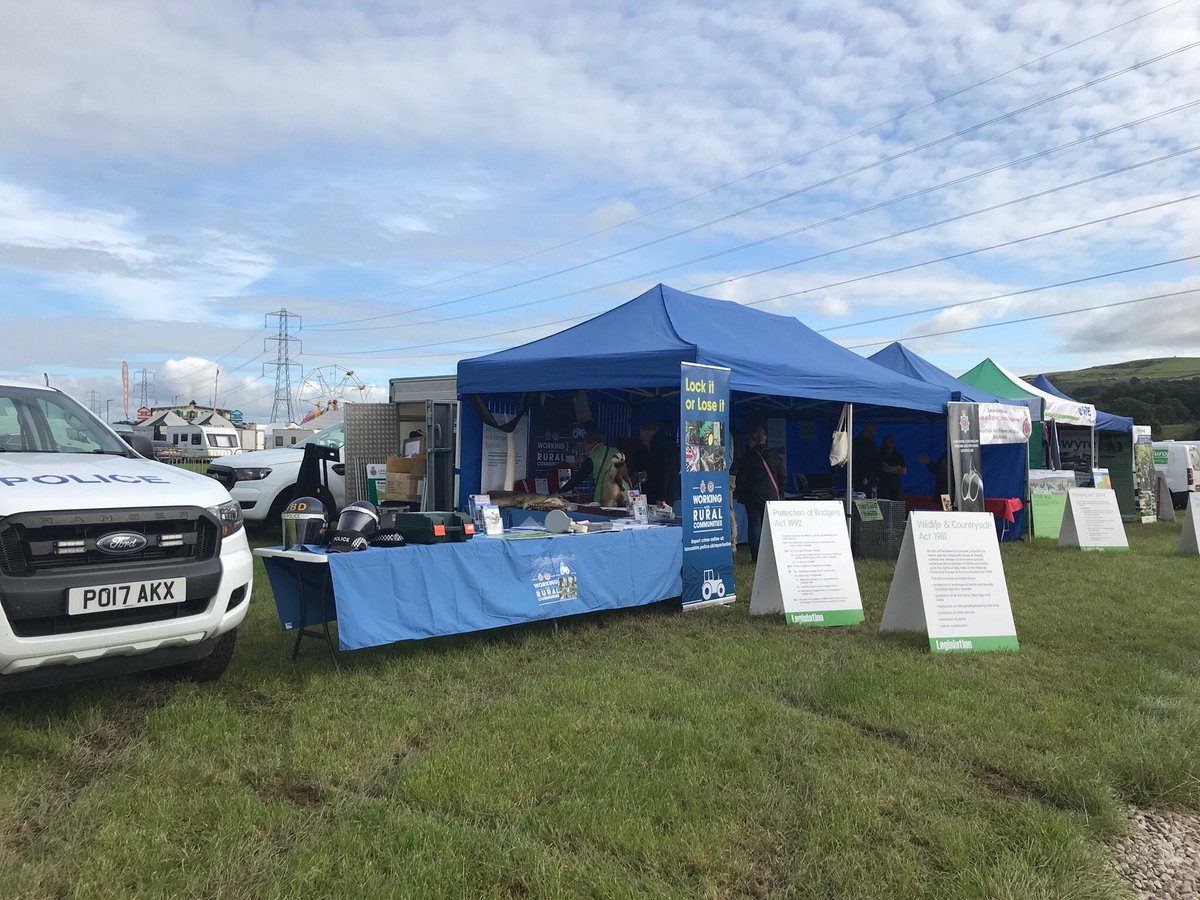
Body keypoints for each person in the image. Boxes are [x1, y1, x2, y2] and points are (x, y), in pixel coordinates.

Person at [733, 424, 786, 562]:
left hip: (753, 498)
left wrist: (742, 492)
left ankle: (757, 558)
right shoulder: (775, 456)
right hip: (771, 497)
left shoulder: (747, 457)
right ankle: (772, 557)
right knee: (770, 529)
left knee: (755, 527)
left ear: (751, 440)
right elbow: (782, 477)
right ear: (765, 438)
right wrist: (778, 491)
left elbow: (742, 478)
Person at [557, 433, 626, 504]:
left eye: (585, 445)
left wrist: (559, 492)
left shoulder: (591, 458)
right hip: (624, 494)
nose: (585, 448)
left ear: (592, 443)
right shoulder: (616, 451)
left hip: (606, 495)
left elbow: (578, 478)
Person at [634, 419, 679, 505]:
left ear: (648, 432)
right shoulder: (669, 443)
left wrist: (661, 496)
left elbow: (663, 471)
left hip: (658, 493)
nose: (641, 438)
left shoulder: (658, 446)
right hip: (669, 491)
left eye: (642, 434)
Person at [851, 423, 881, 497]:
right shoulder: (857, 443)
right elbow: (856, 462)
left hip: (871, 479)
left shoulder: (871, 444)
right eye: (874, 430)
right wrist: (863, 477)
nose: (876, 432)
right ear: (868, 430)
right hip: (862, 480)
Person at [877, 434, 907, 501]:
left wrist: (890, 468)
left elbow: (904, 471)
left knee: (896, 505)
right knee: (884, 504)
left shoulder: (898, 455)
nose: (891, 443)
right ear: (884, 443)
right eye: (889, 441)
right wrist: (897, 467)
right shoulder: (880, 454)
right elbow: (884, 469)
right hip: (883, 485)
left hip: (896, 485)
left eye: (892, 441)